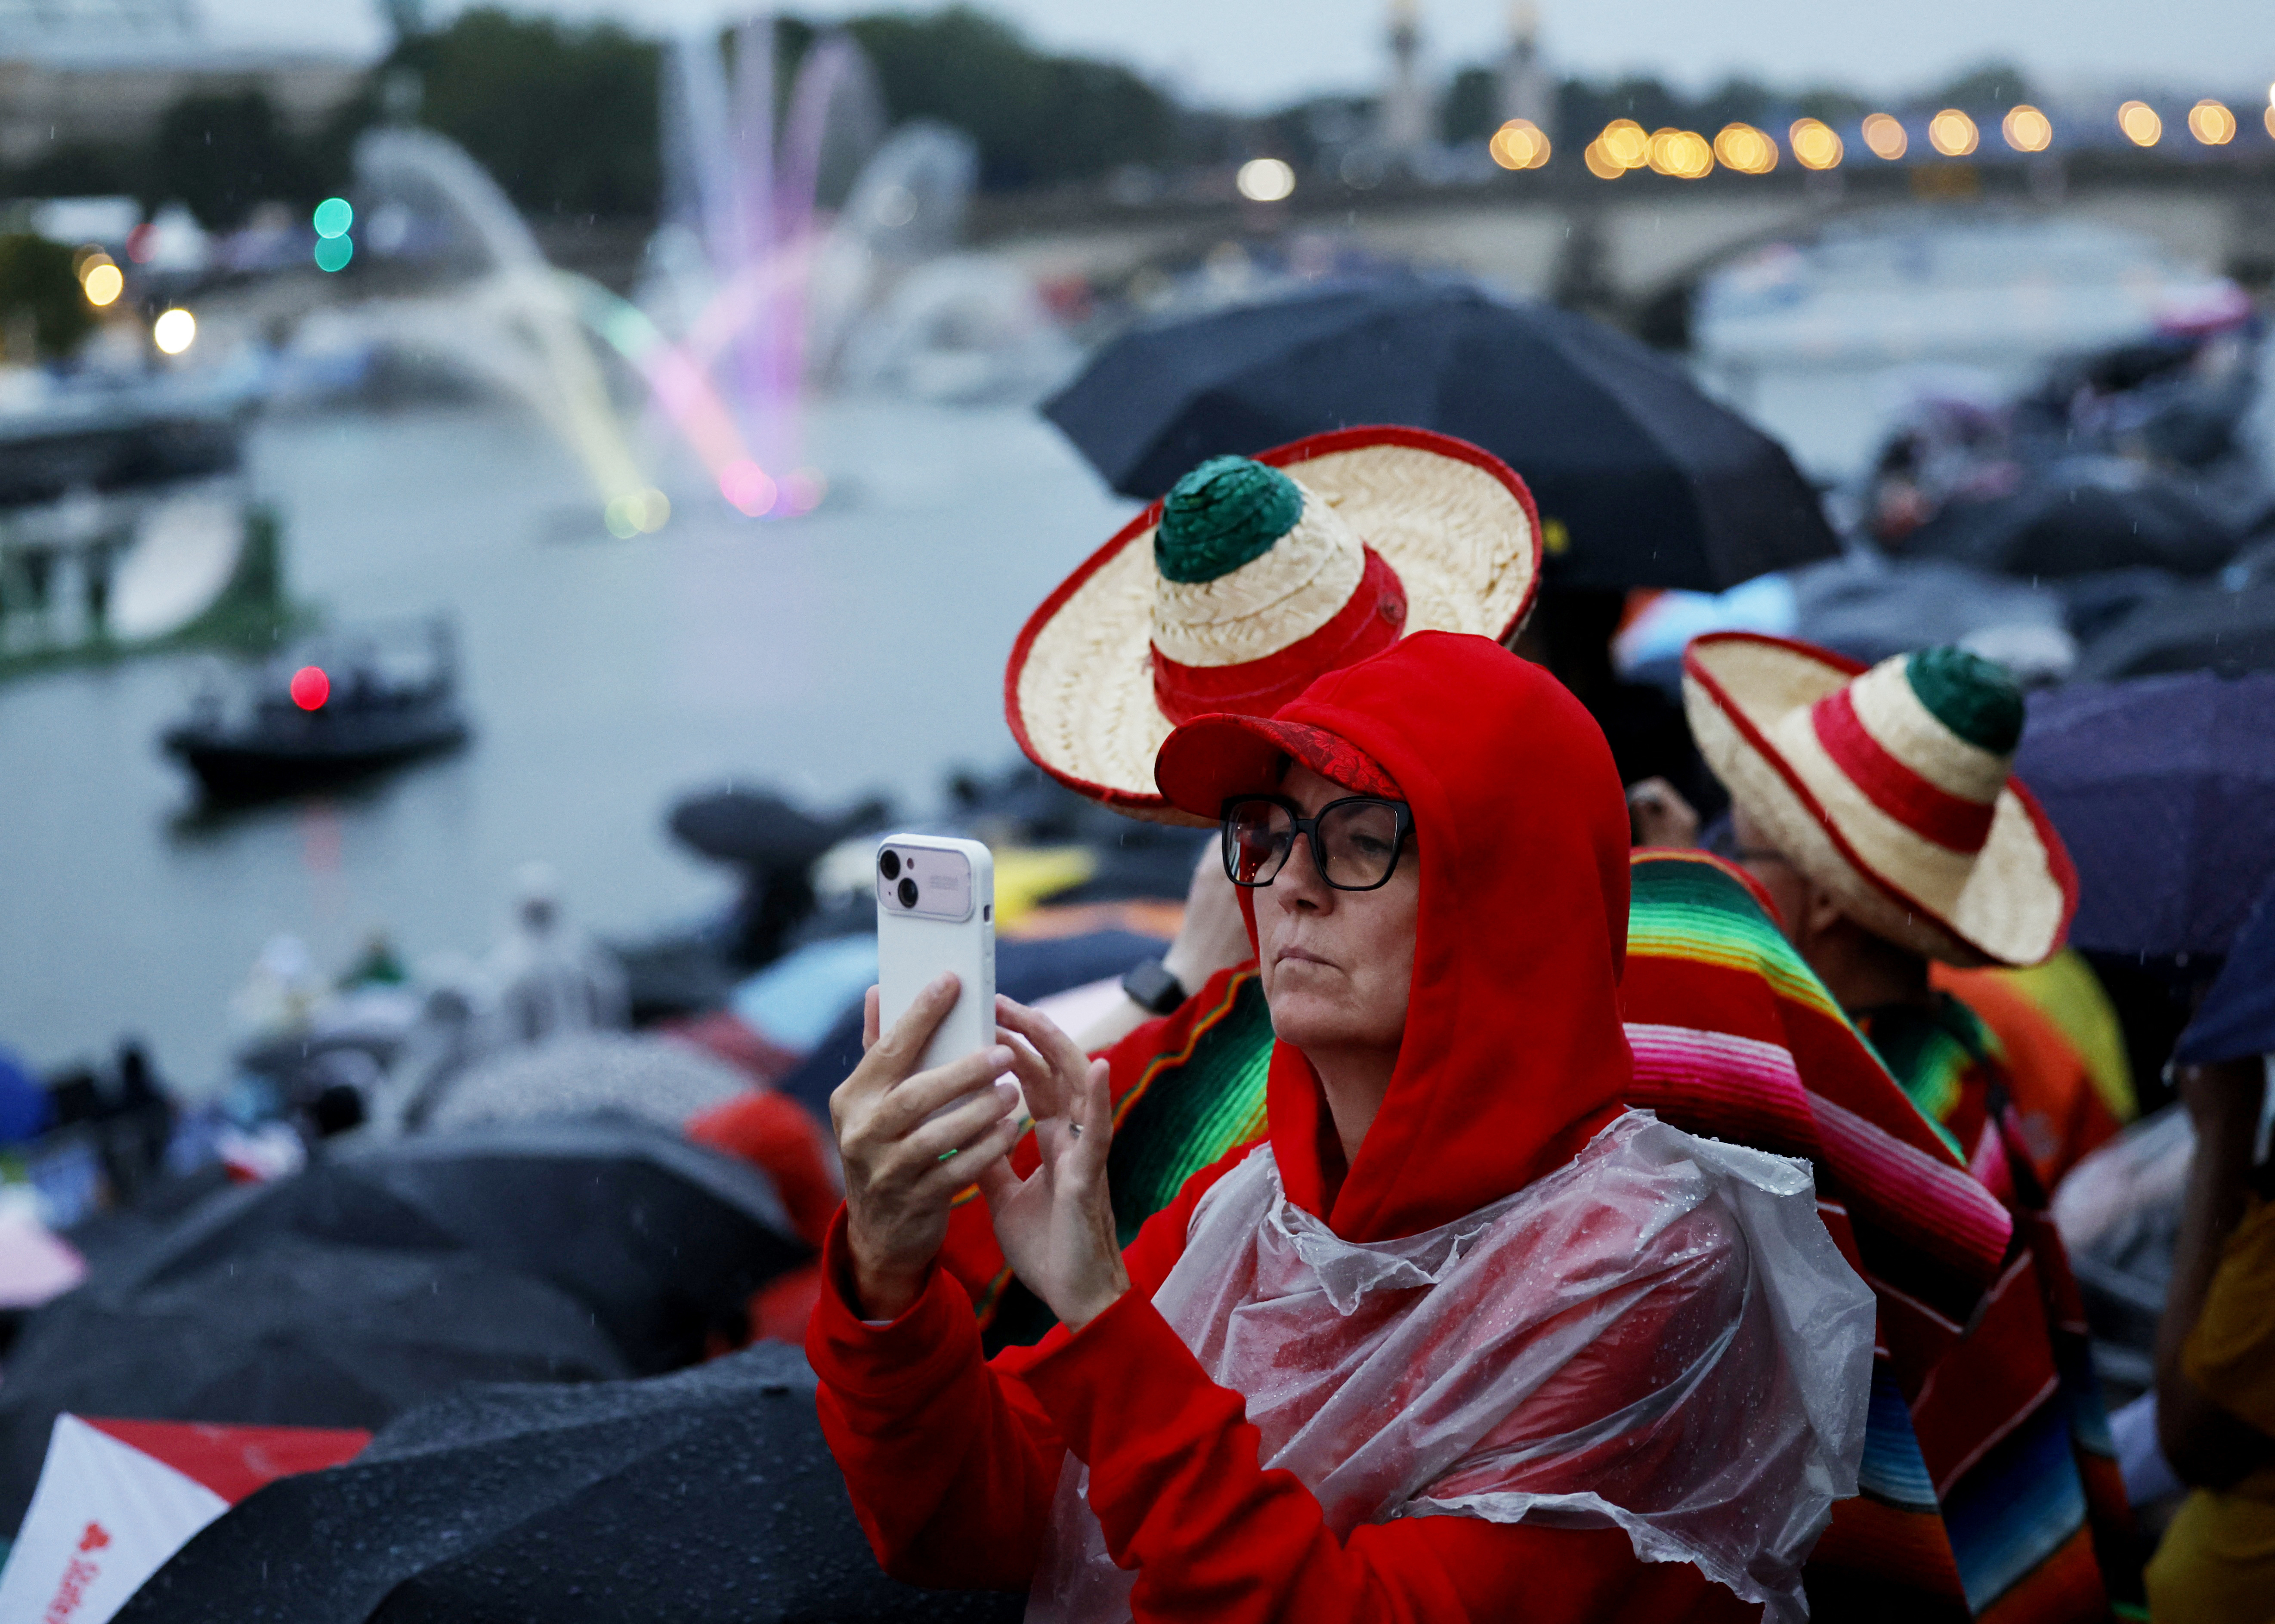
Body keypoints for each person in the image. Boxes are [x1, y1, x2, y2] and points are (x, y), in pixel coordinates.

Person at [811, 633, 1875, 1624]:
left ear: (1508, 896)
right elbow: (976, 1528)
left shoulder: (1645, 1264)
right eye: (1267, 839)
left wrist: (1103, 1321)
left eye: (1362, 843)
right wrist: (888, 1280)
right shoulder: (1243, 1206)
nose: (1291, 888)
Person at [1672, 631, 2140, 1617]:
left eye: (1735, 849)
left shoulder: (1871, 1123)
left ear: (1828, 911)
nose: (1720, 865)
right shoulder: (1951, 1062)